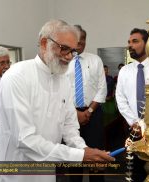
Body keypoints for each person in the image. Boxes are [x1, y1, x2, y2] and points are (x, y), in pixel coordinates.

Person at [0, 20, 113, 182]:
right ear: (44, 43)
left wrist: (85, 150)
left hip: (46, 168)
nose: (69, 57)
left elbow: (69, 128)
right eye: (64, 49)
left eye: (73, 51)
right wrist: (80, 155)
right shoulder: (17, 76)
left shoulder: (63, 80)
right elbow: (24, 139)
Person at [65, 25, 107, 182]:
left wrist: (88, 111)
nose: (80, 43)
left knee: (96, 157)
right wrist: (75, 113)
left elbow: (102, 89)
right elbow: (59, 92)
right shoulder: (63, 61)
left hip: (93, 114)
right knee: (74, 158)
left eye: (83, 39)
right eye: (77, 40)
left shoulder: (95, 60)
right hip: (69, 115)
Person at [115, 28, 149, 181]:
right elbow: (120, 99)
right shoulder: (125, 71)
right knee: (137, 171)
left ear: (147, 43)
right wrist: (134, 122)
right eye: (129, 42)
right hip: (134, 128)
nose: (130, 45)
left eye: (135, 41)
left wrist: (148, 124)